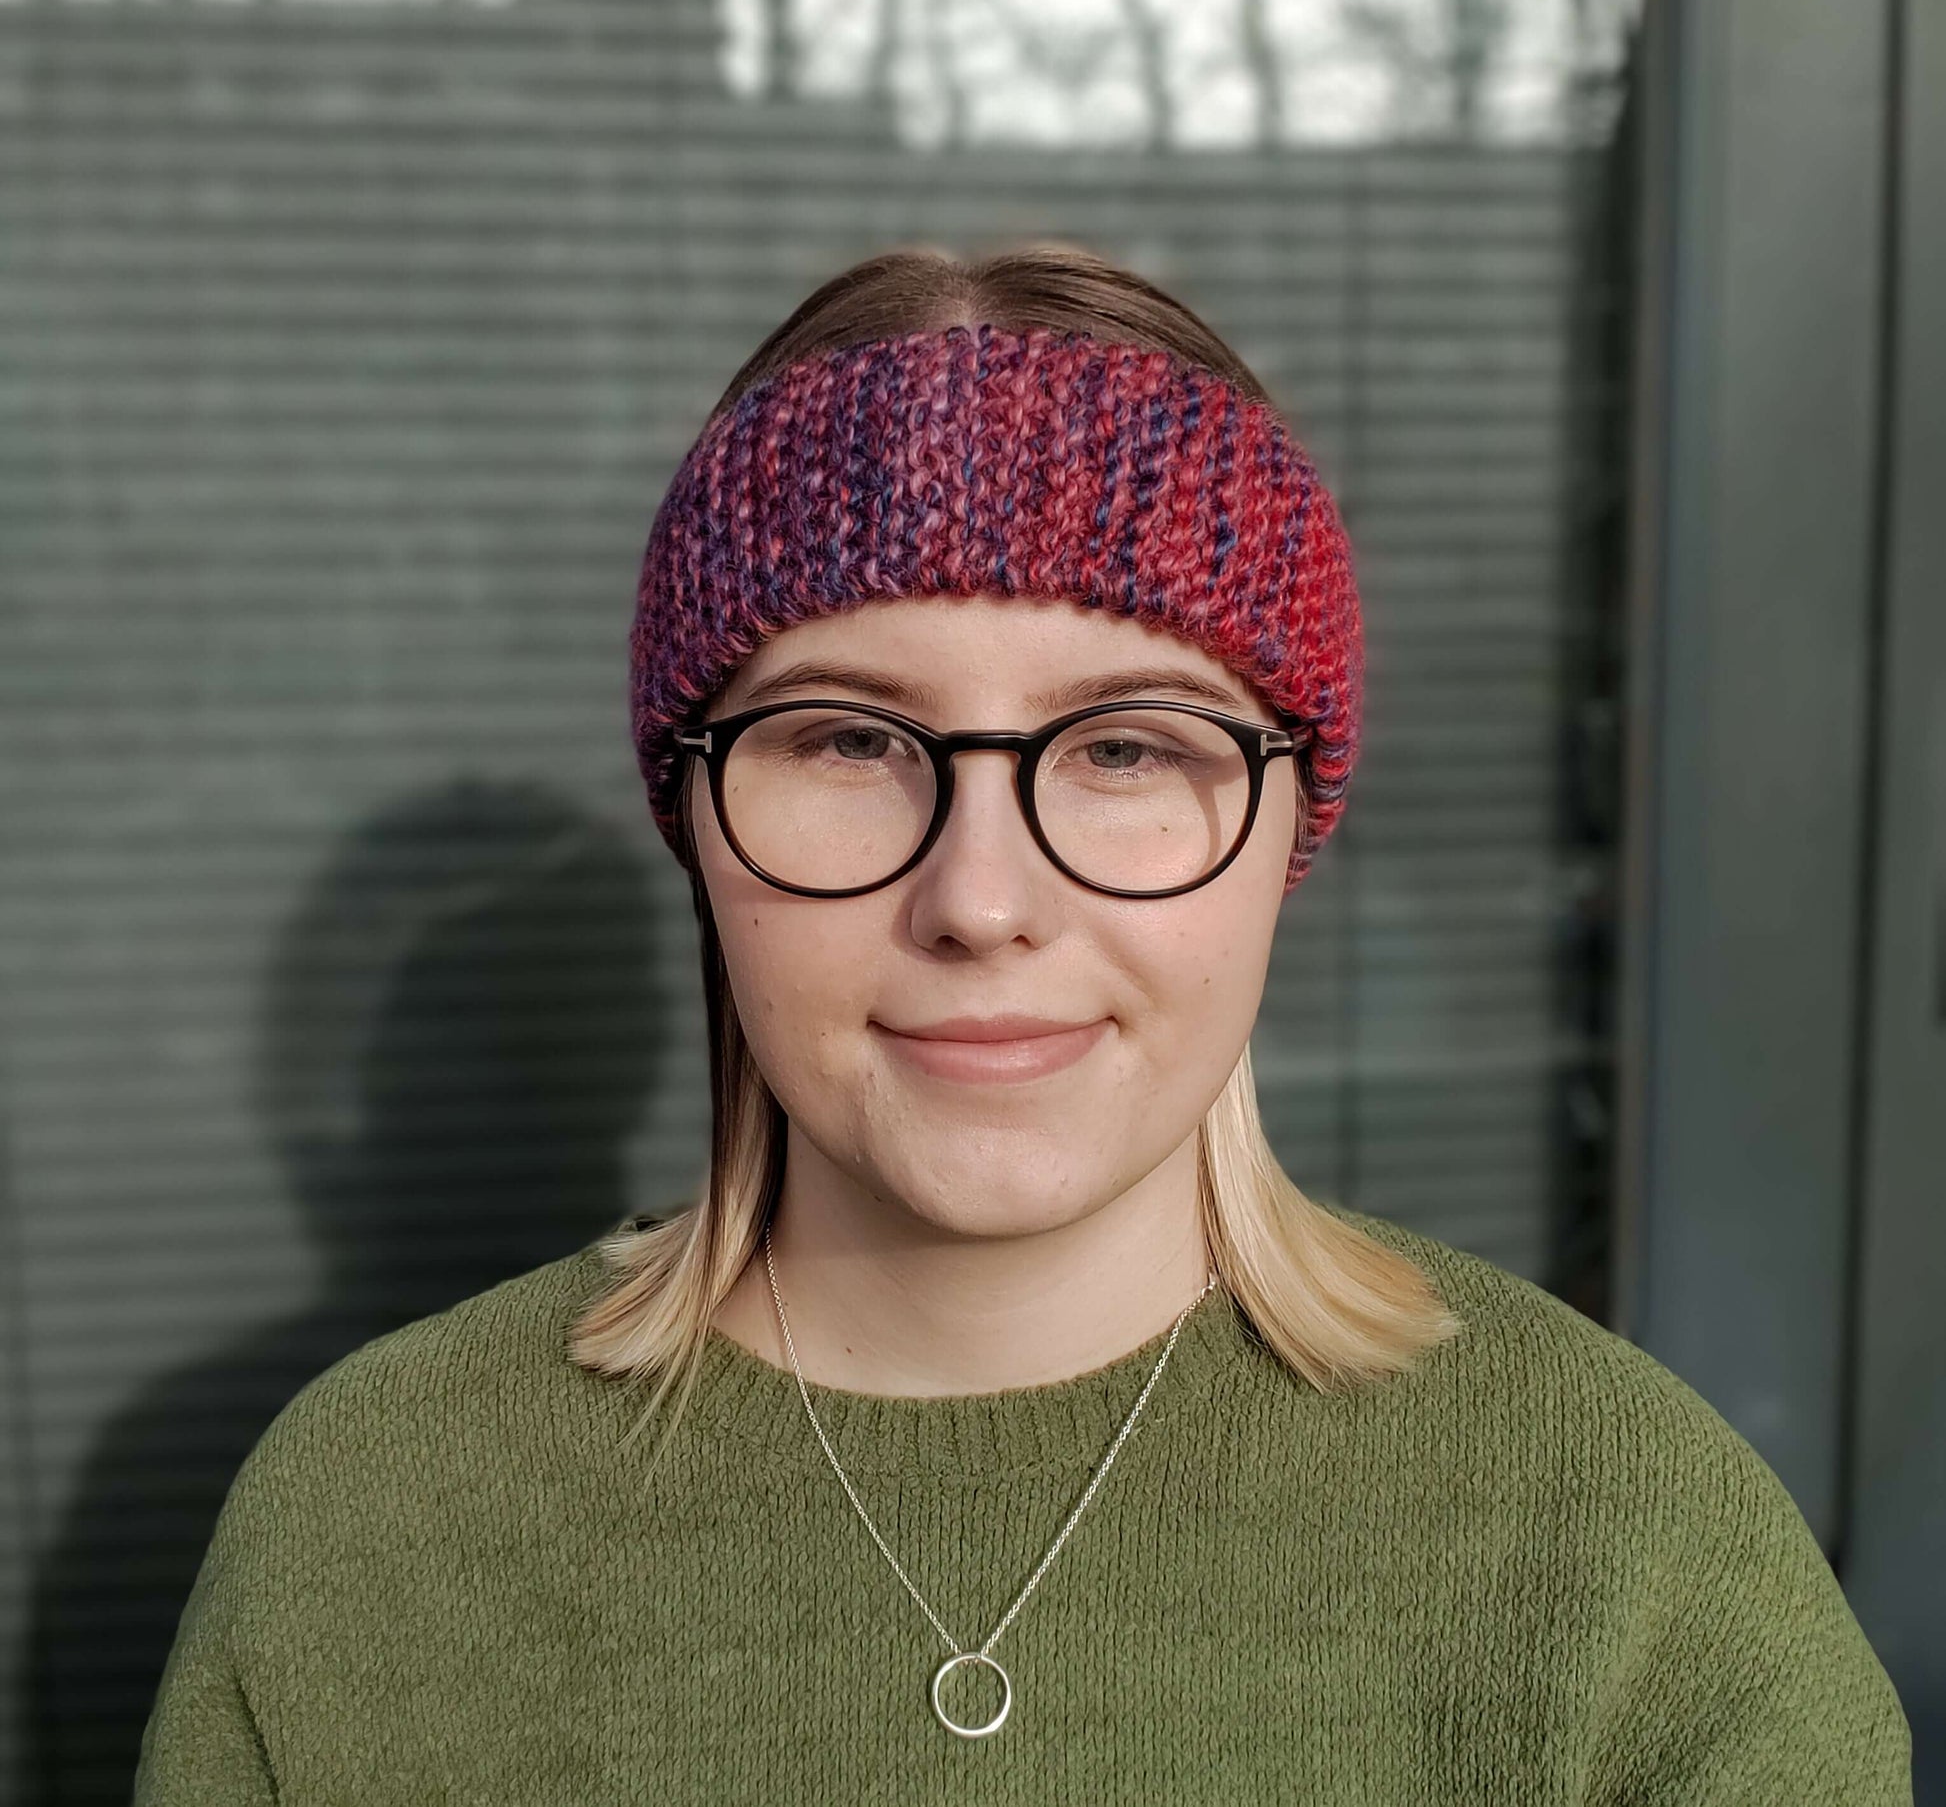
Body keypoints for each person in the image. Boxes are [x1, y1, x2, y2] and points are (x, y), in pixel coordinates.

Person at [133, 244, 1912, 1803]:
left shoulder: (1628, 1549)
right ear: (695, 824)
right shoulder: (365, 1534)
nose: (981, 897)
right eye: (846, 740)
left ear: (1293, 824)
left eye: (1127, 745)